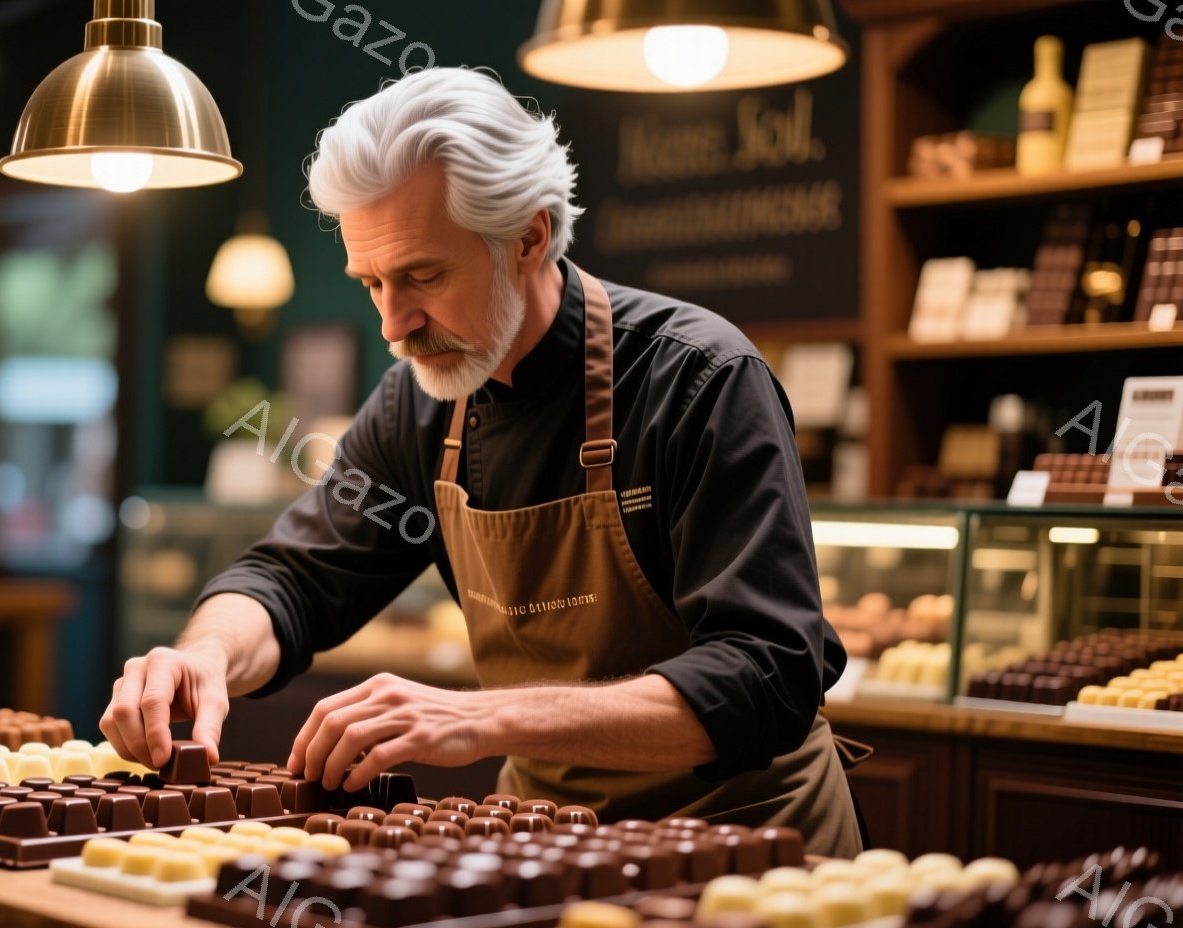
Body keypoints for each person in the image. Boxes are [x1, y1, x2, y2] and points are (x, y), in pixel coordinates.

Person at [101, 67, 862, 856]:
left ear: (529, 238)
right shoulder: (419, 403)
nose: (395, 324)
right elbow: (294, 579)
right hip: (546, 846)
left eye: (423, 275)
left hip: (749, 848)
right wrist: (204, 654)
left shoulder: (698, 379)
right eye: (371, 283)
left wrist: (477, 717)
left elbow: (765, 677)